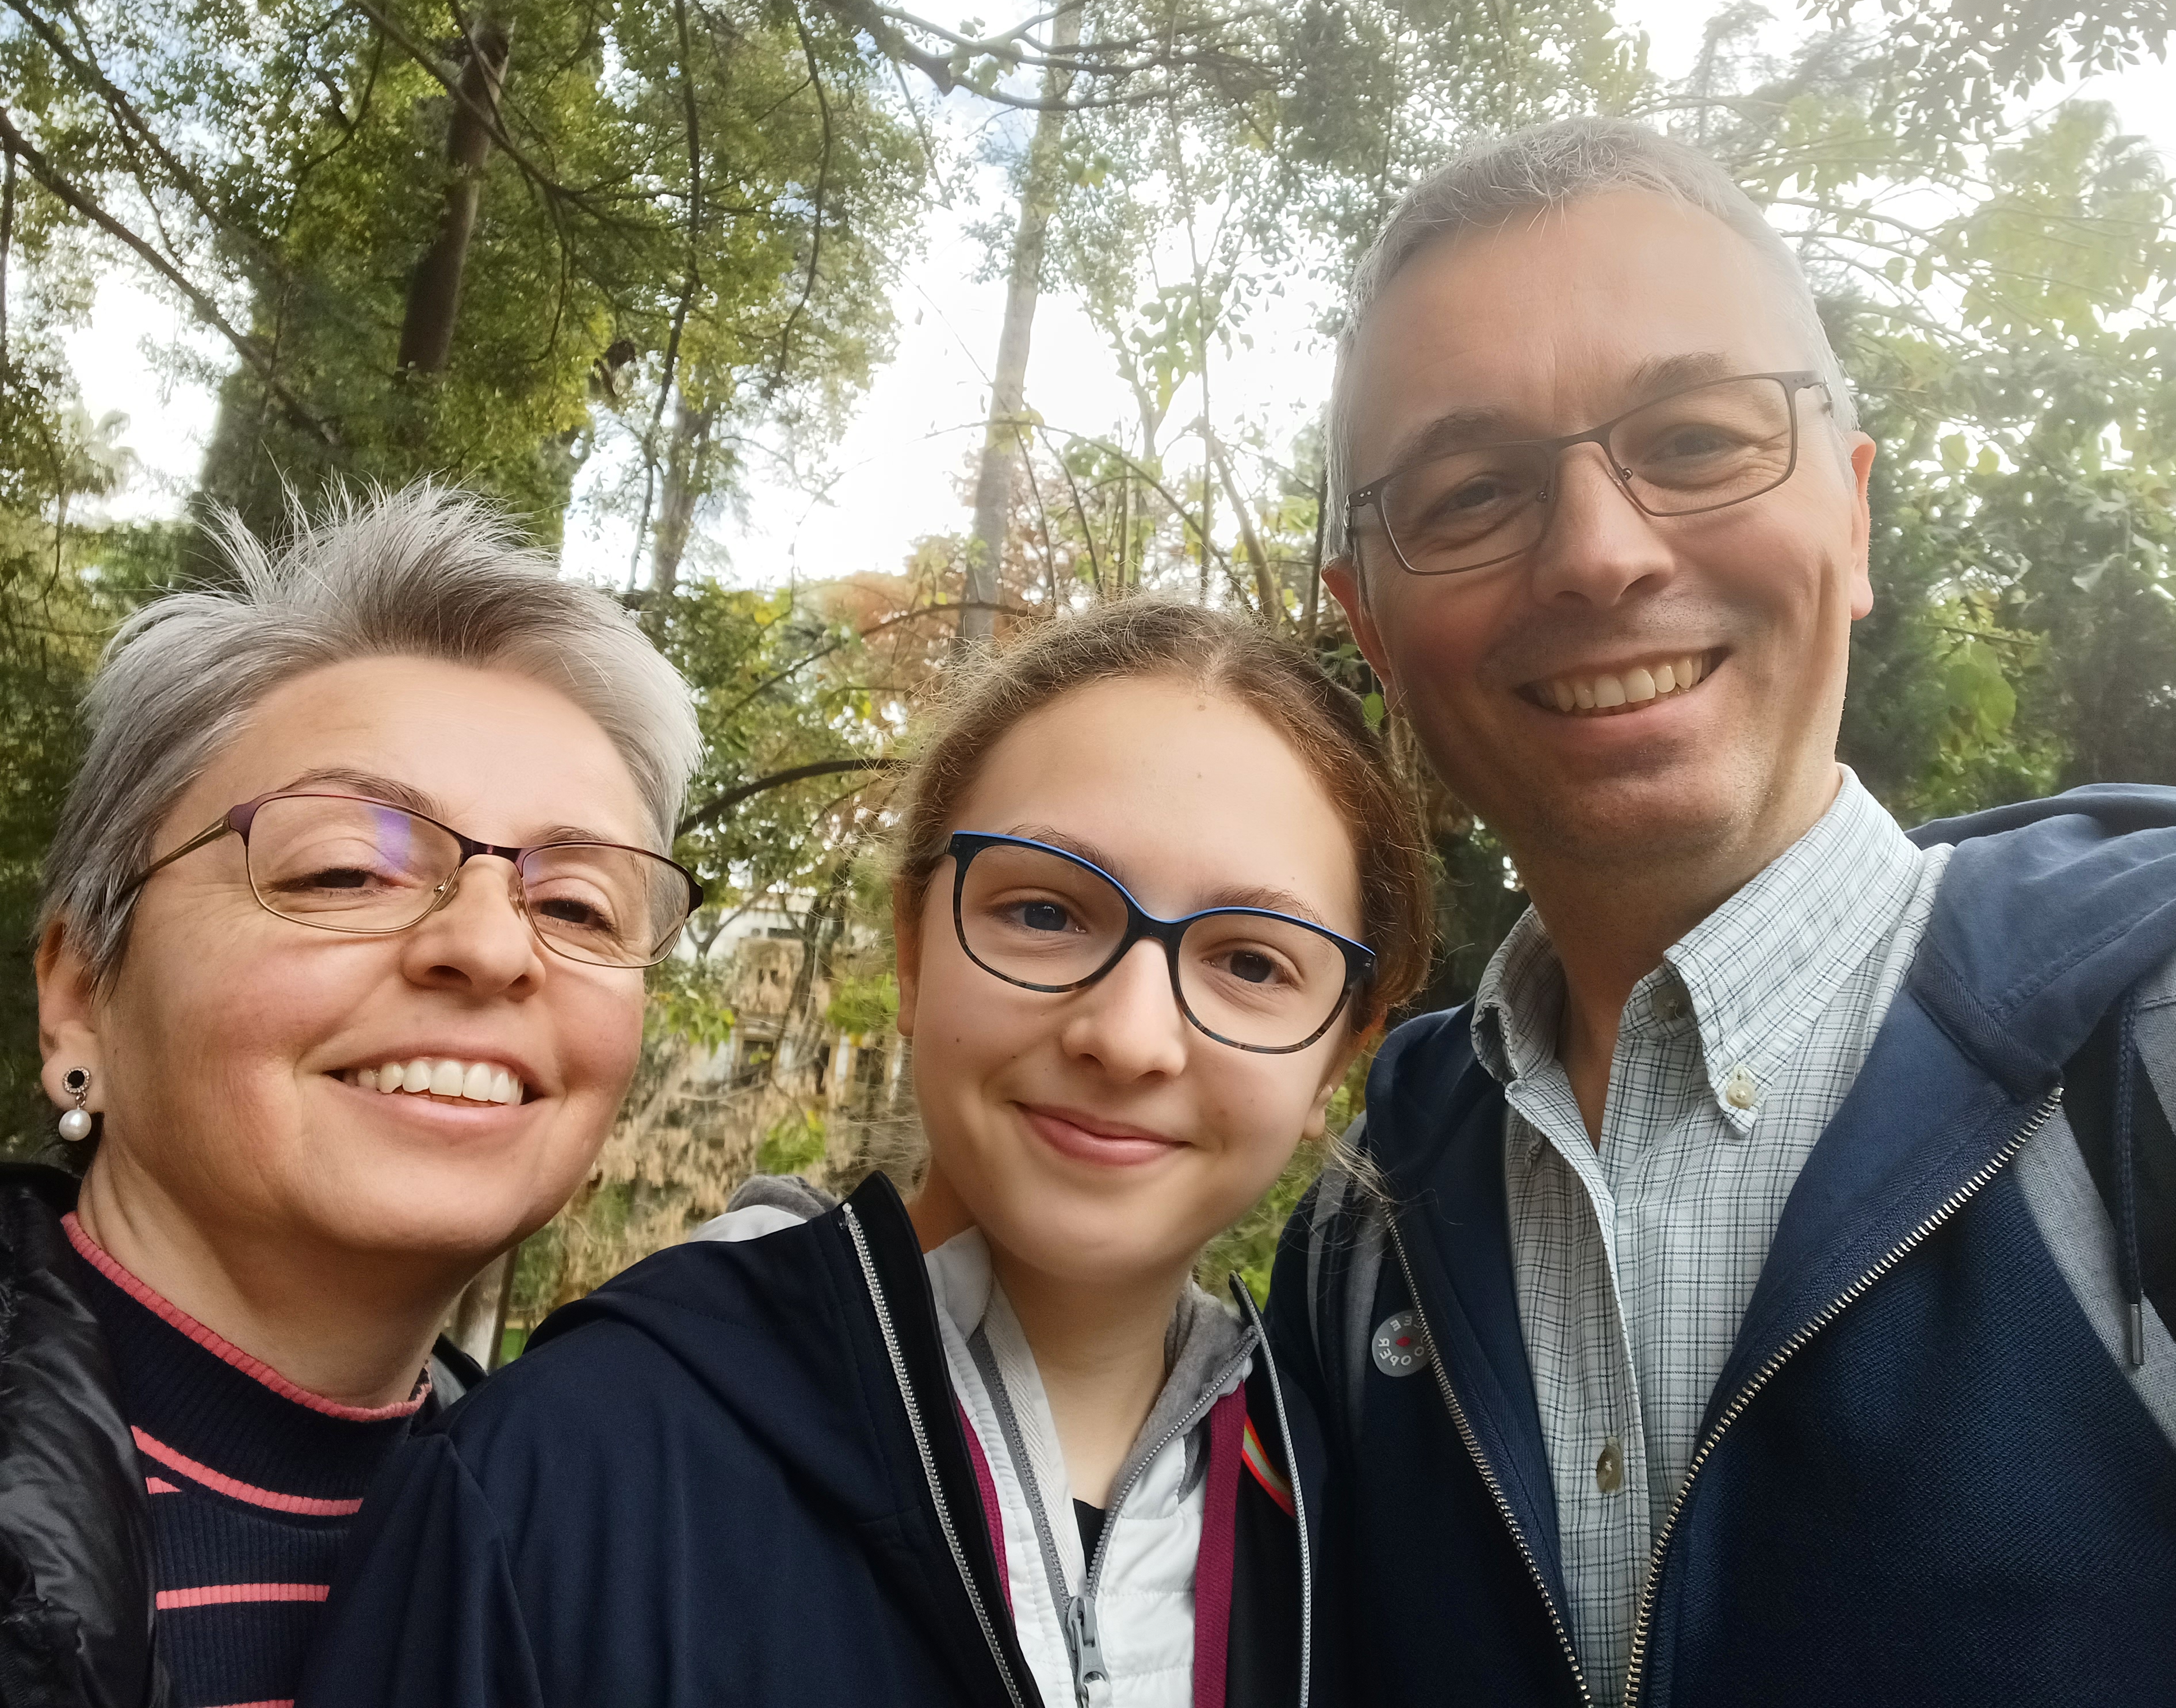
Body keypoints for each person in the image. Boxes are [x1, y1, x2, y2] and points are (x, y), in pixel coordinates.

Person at [1268, 115, 2176, 1707]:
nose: (1599, 555)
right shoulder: (1362, 1234)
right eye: (1469, 494)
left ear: (1853, 519)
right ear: (1371, 629)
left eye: (1696, 440)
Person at [299, 597, 1436, 1708]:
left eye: (1252, 964)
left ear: (1338, 1058)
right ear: (912, 951)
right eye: (1045, 913)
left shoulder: (1353, 1534)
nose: (1130, 1038)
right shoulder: (566, 1470)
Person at [0, 486, 703, 1708]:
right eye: (343, 871)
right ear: (80, 994)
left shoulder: (640, 1569)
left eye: (577, 905)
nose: (491, 948)